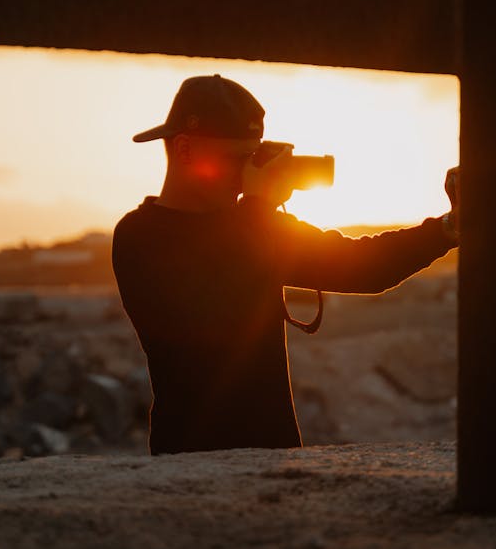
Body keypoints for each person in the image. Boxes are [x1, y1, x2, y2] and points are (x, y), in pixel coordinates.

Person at [112, 74, 459, 455]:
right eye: (235, 159)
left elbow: (363, 265)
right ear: (184, 150)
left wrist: (446, 229)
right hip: (189, 463)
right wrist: (258, 210)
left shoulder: (256, 224)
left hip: (274, 458)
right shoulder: (139, 236)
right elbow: (206, 319)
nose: (245, 176)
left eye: (252, 159)